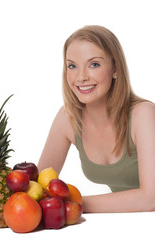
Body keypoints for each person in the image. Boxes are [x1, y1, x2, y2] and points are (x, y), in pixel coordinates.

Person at [37, 25, 155, 213]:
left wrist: (72, 204)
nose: (81, 77)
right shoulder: (68, 118)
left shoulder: (143, 114)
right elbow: (36, 189)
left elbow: (150, 199)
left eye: (94, 64)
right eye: (72, 66)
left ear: (115, 68)